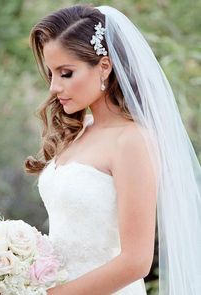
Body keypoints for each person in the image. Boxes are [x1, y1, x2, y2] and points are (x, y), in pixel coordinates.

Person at [25, 4, 201, 295]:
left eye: (66, 73)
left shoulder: (132, 141)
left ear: (104, 66)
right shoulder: (80, 131)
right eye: (51, 74)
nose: (54, 87)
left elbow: (136, 261)